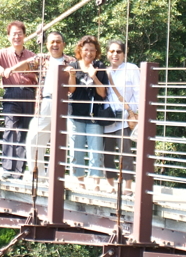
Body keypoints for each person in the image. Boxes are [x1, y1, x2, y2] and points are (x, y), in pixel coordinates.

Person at [9, 32, 76, 182]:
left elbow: (73, 88)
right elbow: (27, 64)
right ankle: (38, 174)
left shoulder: (71, 61)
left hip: (65, 104)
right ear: (47, 45)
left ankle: (55, 177)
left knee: (61, 141)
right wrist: (11, 69)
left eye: (58, 42)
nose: (55, 45)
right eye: (52, 42)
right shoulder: (42, 59)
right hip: (45, 102)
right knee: (34, 138)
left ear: (63, 44)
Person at [0, 21, 36, 178]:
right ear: (8, 37)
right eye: (13, 34)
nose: (17, 37)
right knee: (10, 128)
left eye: (19, 33)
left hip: (28, 94)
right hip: (11, 93)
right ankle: (7, 169)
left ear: (24, 35)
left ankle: (18, 172)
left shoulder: (32, 56)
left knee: (25, 132)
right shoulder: (3, 53)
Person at [67, 35, 109, 190]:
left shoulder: (99, 66)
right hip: (76, 114)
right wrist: (72, 75)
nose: (89, 53)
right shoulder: (73, 65)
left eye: (92, 50)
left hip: (94, 116)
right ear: (80, 50)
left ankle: (96, 184)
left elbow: (103, 93)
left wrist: (94, 76)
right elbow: (71, 90)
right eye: (86, 50)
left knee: (96, 150)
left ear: (96, 51)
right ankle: (80, 182)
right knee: (75, 150)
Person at [103, 40, 140, 192]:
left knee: (125, 153)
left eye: (118, 51)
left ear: (124, 53)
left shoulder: (131, 69)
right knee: (107, 154)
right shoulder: (105, 71)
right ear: (107, 54)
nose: (115, 54)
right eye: (111, 51)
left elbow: (139, 92)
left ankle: (128, 186)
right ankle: (110, 185)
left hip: (124, 118)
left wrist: (133, 112)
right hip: (108, 118)